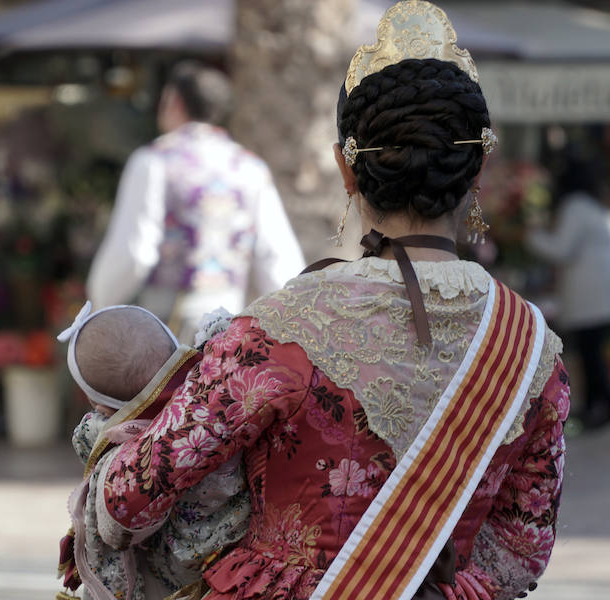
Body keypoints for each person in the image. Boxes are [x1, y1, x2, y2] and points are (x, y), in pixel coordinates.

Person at [73, 3, 570, 599]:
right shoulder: (532, 347)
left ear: (346, 168)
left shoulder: (276, 334)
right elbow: (520, 555)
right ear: (479, 165)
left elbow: (129, 501)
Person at [86, 61, 305, 343]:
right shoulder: (249, 167)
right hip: (230, 323)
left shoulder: (155, 161)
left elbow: (135, 251)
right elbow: (277, 256)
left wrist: (99, 303)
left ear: (174, 102)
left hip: (166, 323)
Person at [57, 303, 250, 600]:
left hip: (176, 567)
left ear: (100, 406)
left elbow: (117, 529)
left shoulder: (115, 441)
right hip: (239, 540)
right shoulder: (212, 385)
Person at [526, 154, 610, 429]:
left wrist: (530, 236)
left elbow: (561, 249)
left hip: (592, 295)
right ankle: (603, 405)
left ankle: (603, 407)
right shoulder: (596, 206)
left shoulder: (575, 207)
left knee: (590, 351)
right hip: (605, 292)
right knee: (594, 350)